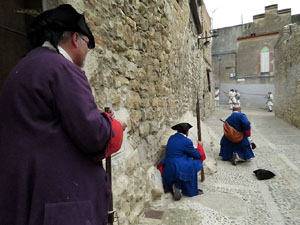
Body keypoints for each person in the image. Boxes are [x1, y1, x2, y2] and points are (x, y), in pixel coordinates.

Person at [0, 4, 126, 225]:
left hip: (25, 193)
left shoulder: (24, 67)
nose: (87, 52)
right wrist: (114, 124)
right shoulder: (62, 68)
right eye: (88, 44)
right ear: (76, 38)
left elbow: (52, 124)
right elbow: (93, 136)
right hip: (59, 201)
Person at [161, 123, 204, 201]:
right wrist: (200, 146)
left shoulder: (171, 138)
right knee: (197, 164)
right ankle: (187, 188)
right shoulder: (187, 141)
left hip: (168, 166)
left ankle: (177, 185)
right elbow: (198, 155)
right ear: (187, 132)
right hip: (178, 166)